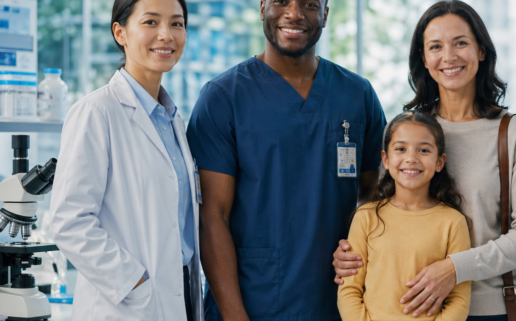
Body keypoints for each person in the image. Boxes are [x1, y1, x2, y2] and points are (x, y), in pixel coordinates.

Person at [334, 1, 516, 320]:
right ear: (424, 58)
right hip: (408, 310)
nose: (449, 56)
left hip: (489, 309)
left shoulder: (514, 133)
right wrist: (350, 256)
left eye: (460, 43)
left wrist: (454, 269)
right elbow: (382, 214)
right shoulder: (409, 134)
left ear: (481, 51)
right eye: (435, 46)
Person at [185, 0, 386, 319]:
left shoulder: (357, 94)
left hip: (339, 302)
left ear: (325, 14)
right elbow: (212, 216)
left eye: (309, 4)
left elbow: (376, 199)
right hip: (255, 302)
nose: (294, 13)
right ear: (262, 7)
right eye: (281, 1)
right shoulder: (223, 98)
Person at [49, 0, 201, 320]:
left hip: (181, 295)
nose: (166, 34)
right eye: (150, 22)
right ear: (120, 33)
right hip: (126, 304)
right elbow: (69, 221)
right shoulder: (96, 112)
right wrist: (134, 283)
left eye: (176, 23)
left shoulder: (172, 119)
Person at [337, 111, 472, 321]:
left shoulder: (453, 222)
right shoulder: (366, 217)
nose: (411, 158)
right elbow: (349, 290)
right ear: (386, 159)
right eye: (401, 149)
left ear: (440, 162)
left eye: (424, 150)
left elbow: (459, 300)